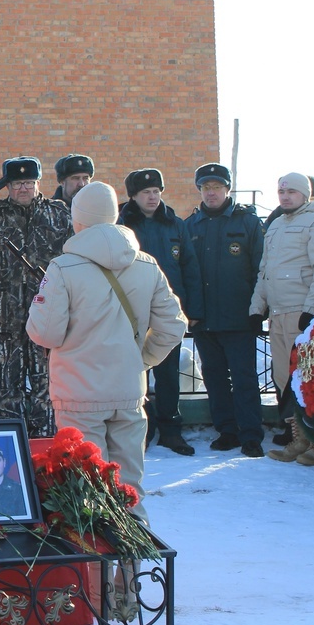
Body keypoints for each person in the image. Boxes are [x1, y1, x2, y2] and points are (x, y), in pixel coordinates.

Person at [27, 182, 187, 524]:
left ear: (78, 221)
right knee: (129, 488)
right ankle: (134, 554)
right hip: (128, 391)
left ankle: (95, 557)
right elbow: (173, 326)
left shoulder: (63, 268)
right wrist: (140, 361)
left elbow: (45, 333)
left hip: (78, 392)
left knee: (86, 489)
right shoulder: (146, 264)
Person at [0, 156, 72, 436]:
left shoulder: (57, 213)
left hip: (45, 315)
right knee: (7, 388)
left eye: (29, 183)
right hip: (4, 317)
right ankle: (13, 441)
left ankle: (44, 442)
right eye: (17, 184)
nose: (23, 189)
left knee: (46, 386)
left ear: (38, 183)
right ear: (7, 186)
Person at [250, 173, 314, 465]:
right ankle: (298, 438)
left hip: (301, 314)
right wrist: (257, 308)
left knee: (308, 379)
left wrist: (311, 309)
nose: (285, 196)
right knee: (284, 379)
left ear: (305, 194)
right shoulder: (276, 224)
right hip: (278, 313)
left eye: (291, 191)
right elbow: (265, 271)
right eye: (281, 192)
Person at [119, 168, 203, 456]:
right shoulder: (122, 225)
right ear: (134, 196)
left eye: (156, 191)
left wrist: (192, 309)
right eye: (146, 192)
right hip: (132, 311)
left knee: (168, 373)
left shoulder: (175, 225)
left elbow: (189, 268)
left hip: (167, 310)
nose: (152, 197)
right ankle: (139, 429)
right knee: (135, 372)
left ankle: (171, 430)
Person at [185, 163, 266, 458]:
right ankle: (227, 431)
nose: (211, 193)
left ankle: (251, 434)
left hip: (239, 317)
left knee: (245, 378)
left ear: (227, 189)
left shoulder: (248, 223)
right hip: (204, 319)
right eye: (206, 187)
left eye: (216, 187)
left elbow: (261, 269)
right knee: (215, 378)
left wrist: (258, 309)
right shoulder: (190, 226)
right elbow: (186, 272)